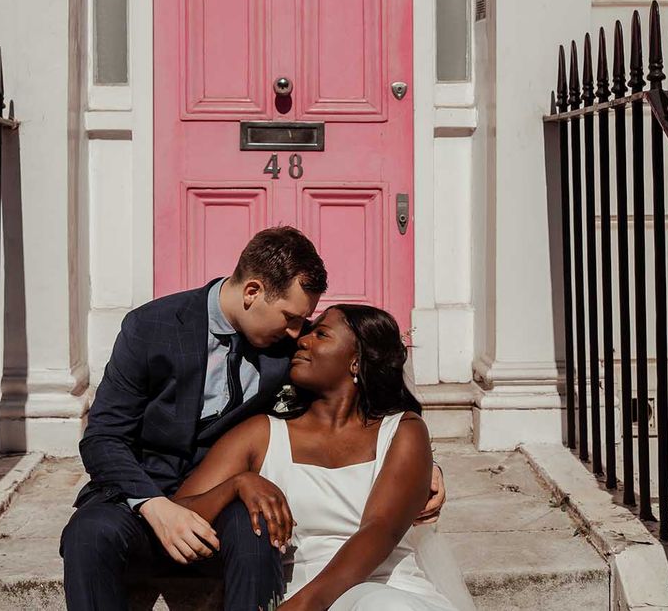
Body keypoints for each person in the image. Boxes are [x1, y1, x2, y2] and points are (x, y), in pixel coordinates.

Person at [60, 227, 447, 610]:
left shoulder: (290, 341)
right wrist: (154, 505)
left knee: (257, 531)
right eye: (291, 317)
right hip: (144, 497)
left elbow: (363, 384)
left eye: (305, 322)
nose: (300, 332)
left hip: (232, 499)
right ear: (252, 292)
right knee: (88, 534)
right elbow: (103, 437)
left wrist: (421, 465)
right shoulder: (150, 327)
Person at [172, 304, 473, 610]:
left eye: (321, 334)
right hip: (295, 590)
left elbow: (380, 528)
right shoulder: (261, 434)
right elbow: (177, 513)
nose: (303, 340)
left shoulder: (402, 431)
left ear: (356, 361)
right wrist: (236, 484)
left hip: (386, 586)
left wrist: (305, 606)